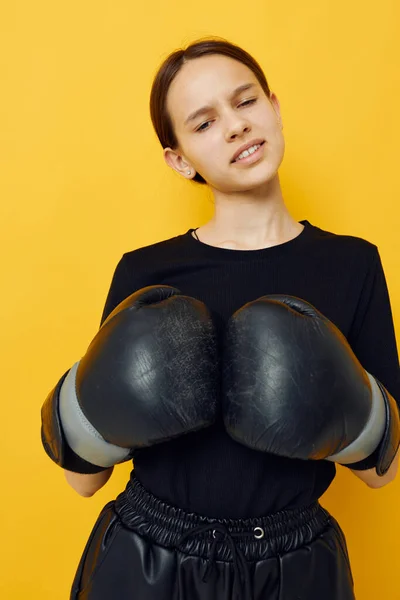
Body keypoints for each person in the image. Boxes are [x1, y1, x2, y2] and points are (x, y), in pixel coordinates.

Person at [41, 37, 400, 599]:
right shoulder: (145, 271)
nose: (235, 126)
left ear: (275, 108)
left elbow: (382, 473)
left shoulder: (352, 264)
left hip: (296, 563)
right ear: (179, 158)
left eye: (246, 101)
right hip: (147, 558)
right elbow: (82, 480)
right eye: (204, 123)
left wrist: (333, 391)